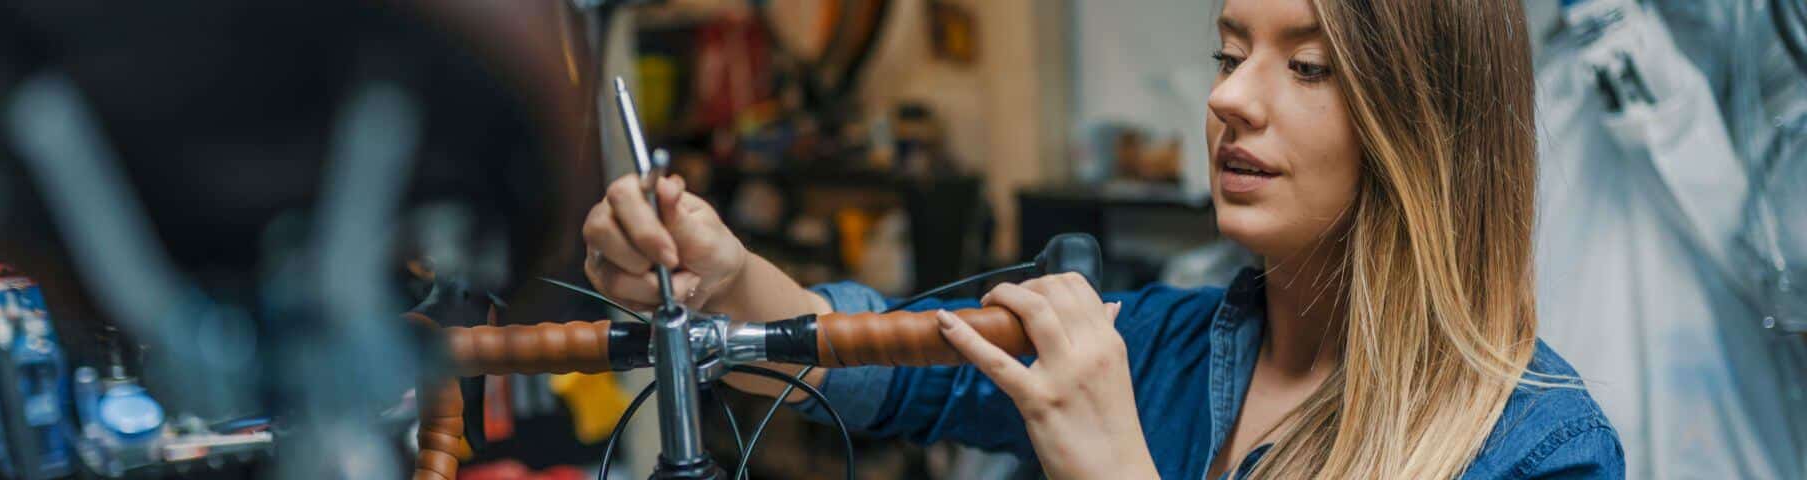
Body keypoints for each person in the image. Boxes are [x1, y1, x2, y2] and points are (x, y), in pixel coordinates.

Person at [581, 0, 1623, 478]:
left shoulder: (1543, 451)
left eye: (1307, 67)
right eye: (1226, 52)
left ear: (1432, 124)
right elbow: (887, 366)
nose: (1229, 99)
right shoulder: (1157, 346)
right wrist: (724, 280)